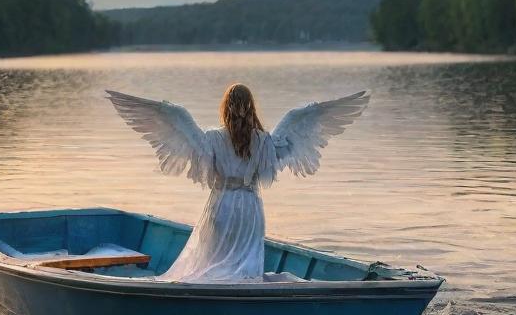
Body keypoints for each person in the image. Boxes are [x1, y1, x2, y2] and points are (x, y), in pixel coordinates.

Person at [106, 83, 369, 282]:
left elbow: (171, 116)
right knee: (245, 263)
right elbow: (286, 144)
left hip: (221, 205)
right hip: (250, 206)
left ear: (225, 107)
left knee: (214, 258)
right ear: (251, 107)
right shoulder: (266, 141)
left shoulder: (209, 140)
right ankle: (246, 288)